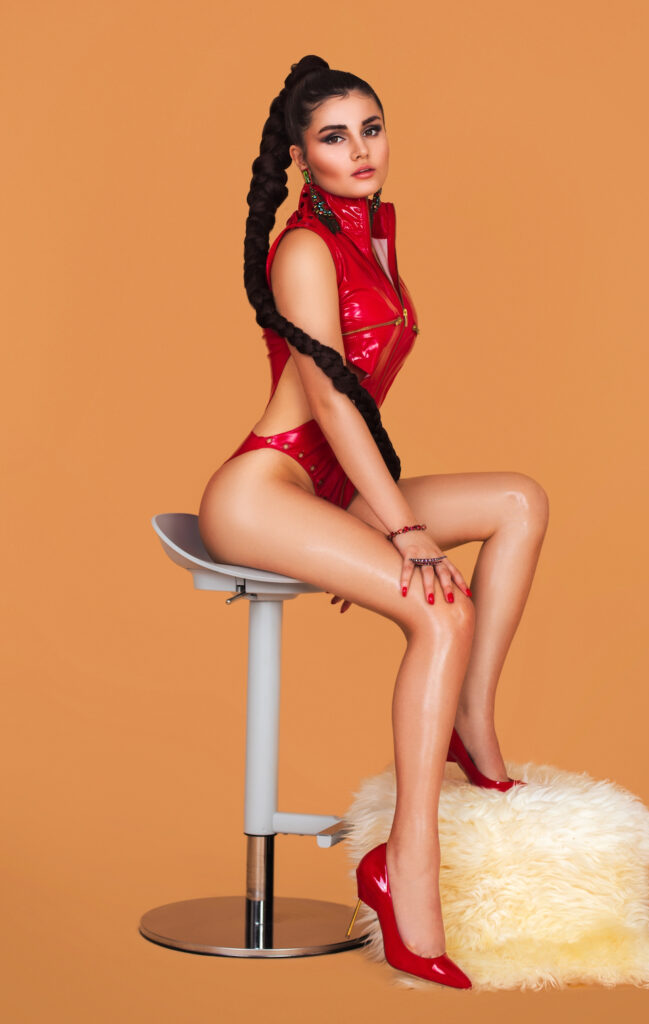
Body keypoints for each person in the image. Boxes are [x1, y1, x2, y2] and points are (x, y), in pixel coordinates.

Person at [198, 55, 549, 988]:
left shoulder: (376, 232)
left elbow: (365, 404)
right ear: (300, 156)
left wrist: (365, 512)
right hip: (263, 491)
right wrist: (398, 530)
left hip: (330, 491)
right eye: (333, 136)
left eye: (372, 128)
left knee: (519, 501)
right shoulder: (305, 247)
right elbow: (331, 402)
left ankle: (469, 723)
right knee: (442, 610)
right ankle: (405, 874)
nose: (360, 150)